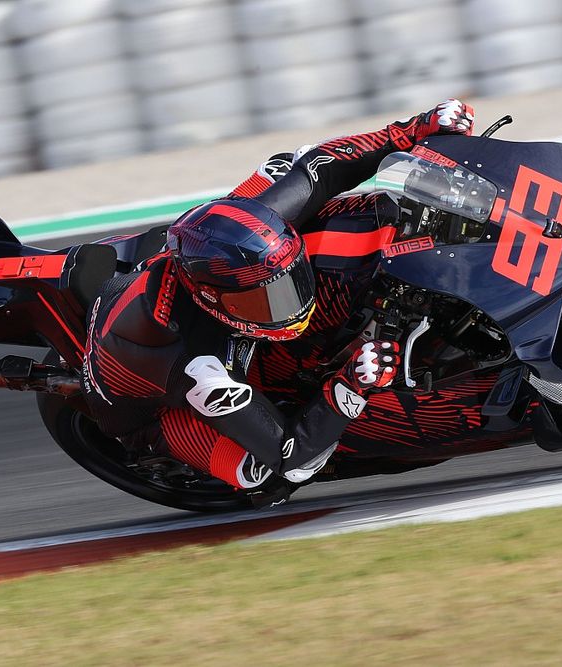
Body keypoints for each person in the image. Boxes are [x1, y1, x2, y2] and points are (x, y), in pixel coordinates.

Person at [81, 100, 476, 504]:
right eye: (265, 299)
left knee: (283, 167)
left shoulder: (253, 228)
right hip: (147, 406)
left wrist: (416, 128)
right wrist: (350, 385)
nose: (290, 304)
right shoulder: (200, 371)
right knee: (262, 475)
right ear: (214, 301)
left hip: (164, 279)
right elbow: (292, 457)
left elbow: (319, 167)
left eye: (289, 283)